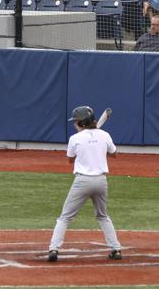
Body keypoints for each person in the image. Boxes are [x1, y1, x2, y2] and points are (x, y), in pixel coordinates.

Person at [47, 106, 122, 262]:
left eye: (76, 122)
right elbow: (114, 154)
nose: (74, 124)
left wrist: (86, 148)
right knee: (102, 216)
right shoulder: (104, 135)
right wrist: (99, 148)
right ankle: (116, 249)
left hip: (82, 181)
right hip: (101, 181)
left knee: (64, 218)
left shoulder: (75, 139)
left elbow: (70, 160)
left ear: (81, 122)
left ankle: (54, 249)